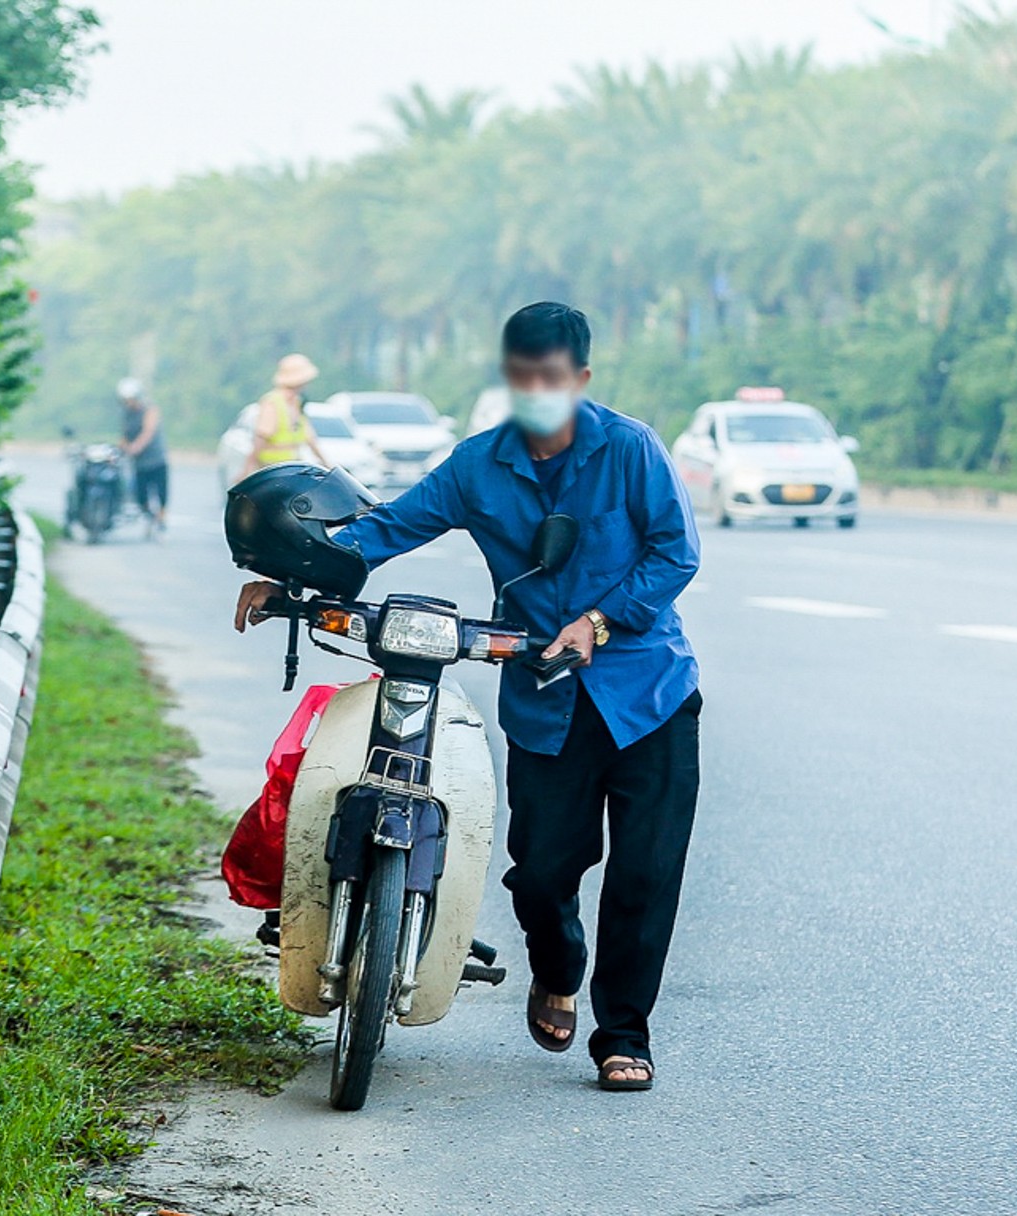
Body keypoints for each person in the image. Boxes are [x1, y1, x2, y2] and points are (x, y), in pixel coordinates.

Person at [234, 302, 702, 1092]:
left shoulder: (631, 450)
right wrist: (291, 574)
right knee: (543, 874)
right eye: (523, 378)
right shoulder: (478, 464)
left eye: (552, 378)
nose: (537, 391)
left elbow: (675, 553)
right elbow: (387, 528)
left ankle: (624, 1033)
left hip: (647, 691)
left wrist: (599, 619)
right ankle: (558, 969)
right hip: (544, 700)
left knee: (646, 876)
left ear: (580, 379)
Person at [242, 353, 329, 480]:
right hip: (272, 468)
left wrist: (326, 465)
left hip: (291, 467)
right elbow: (261, 437)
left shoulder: (296, 402)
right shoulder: (272, 402)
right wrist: (247, 468)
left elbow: (310, 438)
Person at [117, 377, 170, 535]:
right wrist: (122, 447)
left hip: (156, 459)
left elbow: (148, 431)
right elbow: (125, 435)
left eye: (131, 399)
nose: (129, 403)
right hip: (139, 463)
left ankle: (161, 521)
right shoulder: (126, 414)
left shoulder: (150, 409)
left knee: (160, 493)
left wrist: (136, 446)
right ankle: (150, 517)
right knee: (140, 496)